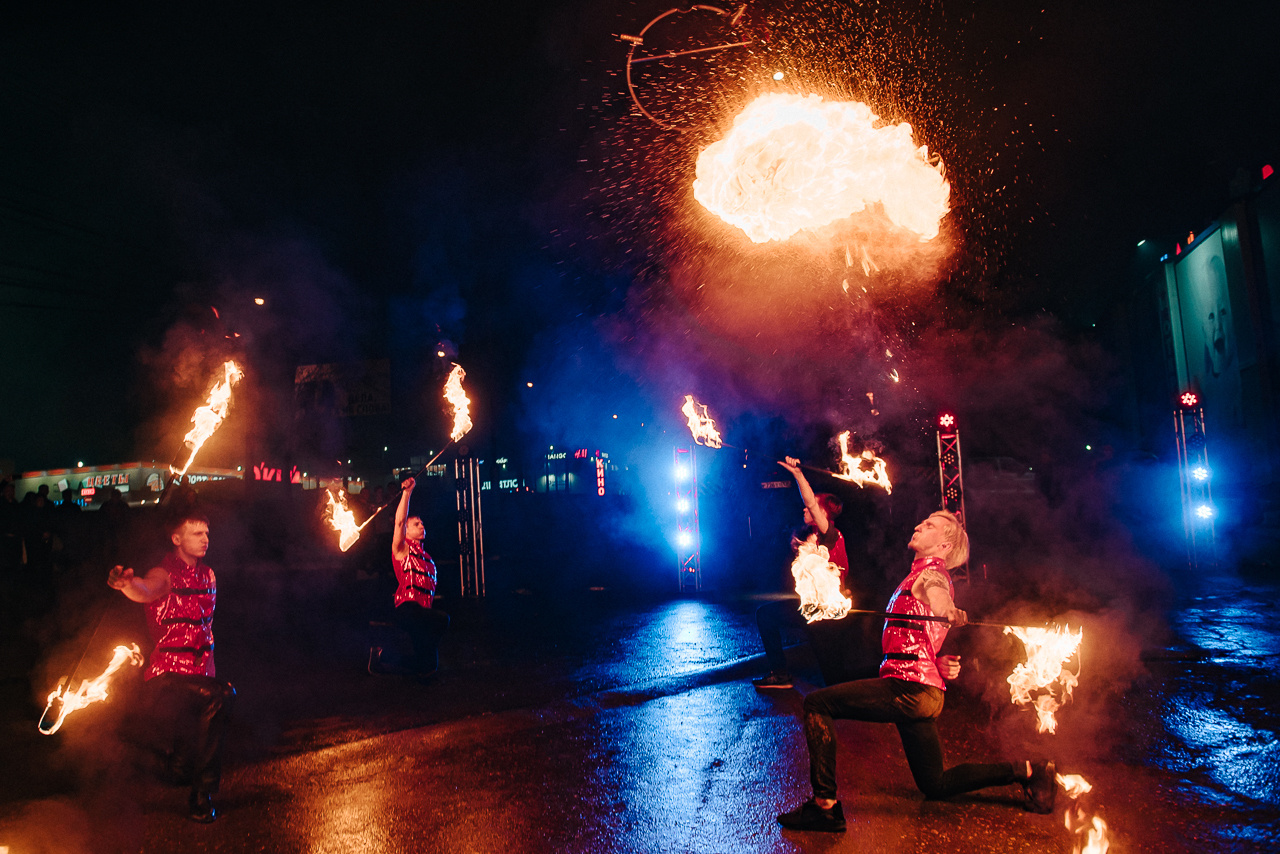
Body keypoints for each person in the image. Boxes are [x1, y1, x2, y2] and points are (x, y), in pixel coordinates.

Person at [776, 510, 1056, 833]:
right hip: (923, 689)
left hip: (908, 689)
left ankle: (825, 806)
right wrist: (939, 660)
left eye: (930, 525)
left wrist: (947, 609)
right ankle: (1028, 771)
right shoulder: (916, 575)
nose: (919, 525)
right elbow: (924, 633)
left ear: (944, 546)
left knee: (817, 704)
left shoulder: (931, 574)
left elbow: (937, 592)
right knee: (935, 783)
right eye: (923, 521)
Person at [107, 511, 235, 823]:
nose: (205, 539)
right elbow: (145, 589)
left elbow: (205, 631)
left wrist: (210, 674)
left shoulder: (209, 575)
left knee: (179, 769)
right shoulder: (164, 574)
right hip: (166, 676)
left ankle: (152, 760)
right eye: (196, 534)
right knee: (221, 695)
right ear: (177, 539)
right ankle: (201, 795)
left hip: (197, 677)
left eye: (206, 533)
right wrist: (127, 585)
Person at [753, 456, 849, 689]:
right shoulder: (815, 536)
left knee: (834, 676)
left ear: (822, 513)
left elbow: (811, 503)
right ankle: (780, 674)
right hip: (814, 607)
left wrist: (797, 474)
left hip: (825, 611)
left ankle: (837, 691)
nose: (805, 507)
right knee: (766, 615)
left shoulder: (830, 534)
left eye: (813, 506)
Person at [370, 477, 449, 677]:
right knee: (442, 619)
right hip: (407, 609)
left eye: (422, 523)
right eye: (416, 524)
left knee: (427, 666)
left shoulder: (428, 559)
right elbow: (399, 522)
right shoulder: (402, 550)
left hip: (423, 614)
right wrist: (407, 493)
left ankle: (381, 656)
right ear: (406, 530)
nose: (422, 526)